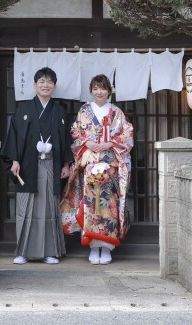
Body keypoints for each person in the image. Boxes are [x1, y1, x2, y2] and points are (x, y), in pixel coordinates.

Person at [1, 67, 73, 265]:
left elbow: (66, 139)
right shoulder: (23, 110)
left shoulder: (59, 111)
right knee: (26, 208)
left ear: (54, 86)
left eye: (49, 82)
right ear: (34, 85)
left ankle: (50, 251)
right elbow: (14, 136)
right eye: (41, 81)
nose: (45, 85)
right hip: (27, 165)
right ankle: (22, 252)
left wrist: (66, 164)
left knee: (50, 207)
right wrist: (14, 161)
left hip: (51, 164)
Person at [61, 74, 133, 265]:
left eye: (103, 88)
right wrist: (89, 143)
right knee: (91, 204)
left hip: (110, 165)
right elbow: (75, 133)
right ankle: (93, 245)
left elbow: (127, 135)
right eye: (95, 88)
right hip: (90, 163)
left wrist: (110, 142)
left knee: (108, 204)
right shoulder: (84, 111)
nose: (99, 92)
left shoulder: (116, 112)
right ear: (91, 91)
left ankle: (107, 247)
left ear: (109, 91)